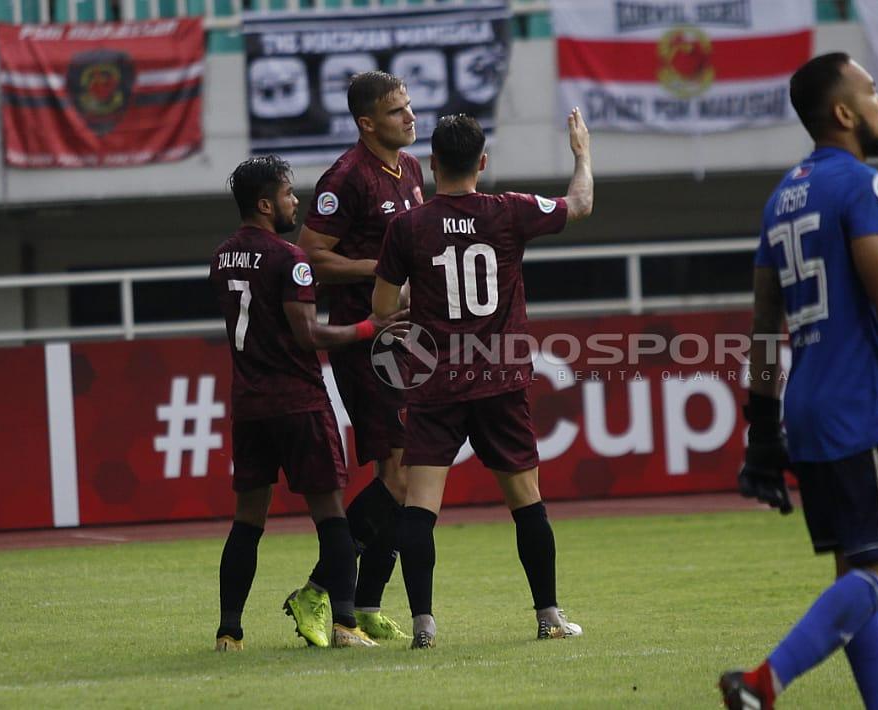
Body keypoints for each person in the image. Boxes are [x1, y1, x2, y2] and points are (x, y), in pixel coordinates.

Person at [719, 53, 878, 709]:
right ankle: (763, 683)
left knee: (855, 573)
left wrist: (762, 431)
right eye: (872, 90)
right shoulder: (863, 186)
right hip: (861, 408)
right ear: (843, 113)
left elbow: (763, 325)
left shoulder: (782, 198)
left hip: (806, 409)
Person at [371, 110, 594, 649]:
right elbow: (581, 204)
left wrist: (414, 297)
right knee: (526, 500)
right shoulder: (509, 211)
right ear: (483, 163)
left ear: (431, 164)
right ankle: (548, 616)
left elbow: (381, 311)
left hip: (435, 384)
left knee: (421, 504)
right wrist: (581, 154)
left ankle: (423, 625)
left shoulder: (407, 226)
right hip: (500, 379)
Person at [209, 155, 409, 651]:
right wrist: (370, 328)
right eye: (287, 193)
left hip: (249, 405)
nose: (294, 201)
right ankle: (343, 622)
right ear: (264, 203)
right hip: (298, 402)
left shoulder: (222, 256)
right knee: (332, 518)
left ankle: (229, 632)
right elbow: (308, 333)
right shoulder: (289, 258)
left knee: (247, 521)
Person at [286, 71, 424, 644]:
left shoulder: (411, 170)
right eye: (397, 112)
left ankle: (365, 604)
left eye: (410, 106)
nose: (411, 118)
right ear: (366, 123)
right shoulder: (345, 178)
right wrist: (381, 268)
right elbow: (310, 255)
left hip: (407, 341)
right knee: (397, 479)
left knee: (408, 474)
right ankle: (319, 592)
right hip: (365, 342)